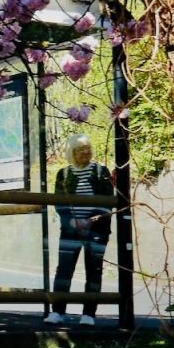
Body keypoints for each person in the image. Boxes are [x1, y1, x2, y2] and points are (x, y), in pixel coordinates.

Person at [44, 134, 114, 327]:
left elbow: (108, 201)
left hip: (97, 230)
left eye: (88, 148)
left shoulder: (101, 172)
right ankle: (57, 312)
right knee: (64, 270)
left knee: (94, 270)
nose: (86, 152)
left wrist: (90, 221)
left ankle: (89, 314)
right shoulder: (63, 174)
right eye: (81, 149)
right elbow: (60, 203)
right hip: (70, 231)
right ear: (71, 152)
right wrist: (73, 222)